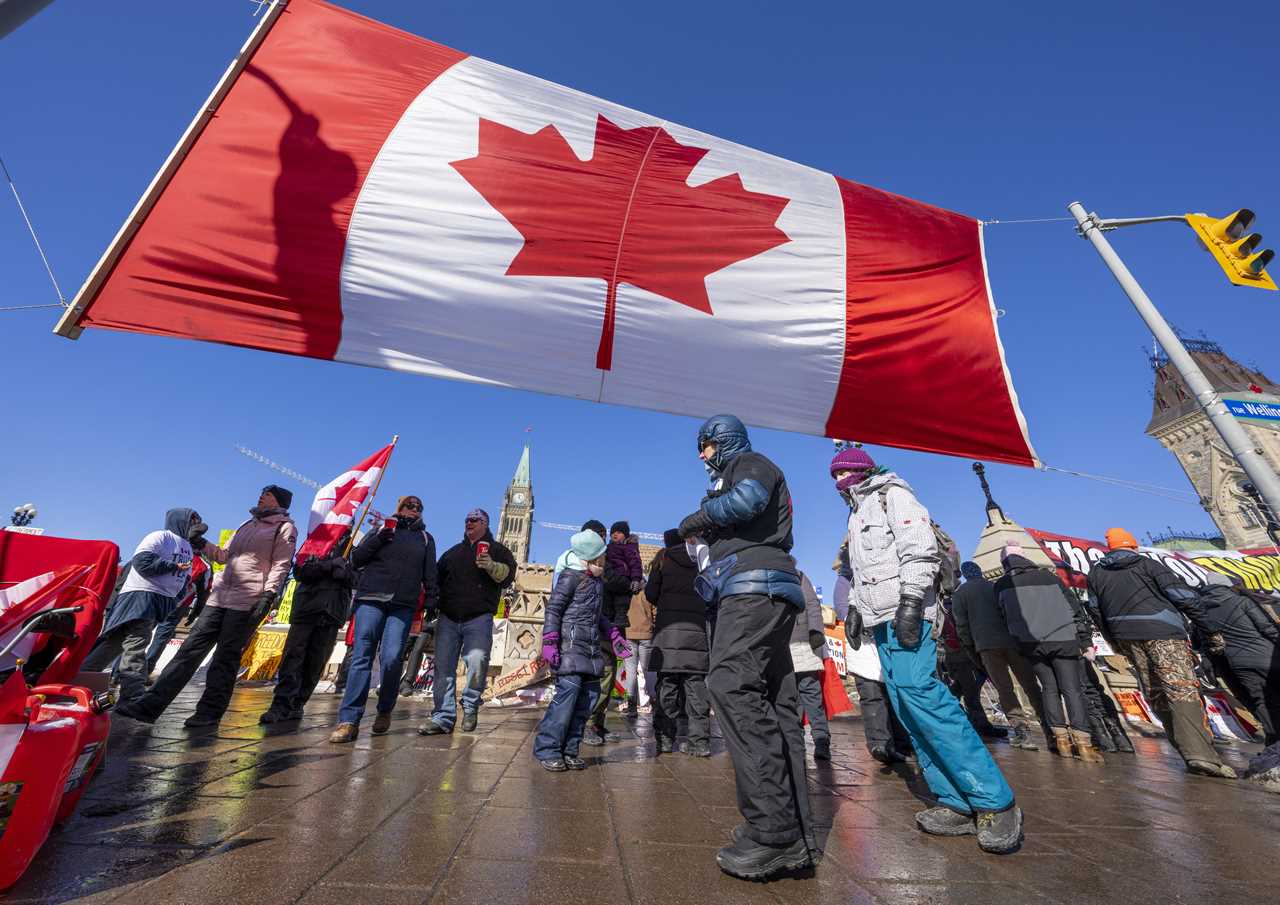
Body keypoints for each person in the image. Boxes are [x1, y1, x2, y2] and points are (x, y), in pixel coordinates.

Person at [831, 446, 1022, 855]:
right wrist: (854, 609)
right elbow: (863, 573)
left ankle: (994, 800)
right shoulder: (855, 511)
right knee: (905, 704)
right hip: (878, 620)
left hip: (906, 615)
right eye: (833, 475)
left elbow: (919, 550)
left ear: (863, 471)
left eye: (844, 472)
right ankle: (953, 796)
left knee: (924, 695)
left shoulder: (893, 495)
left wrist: (912, 602)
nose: (837, 480)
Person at [676, 414, 813, 880]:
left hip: (753, 588)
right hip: (768, 588)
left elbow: (748, 500)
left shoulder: (750, 462)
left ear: (726, 441)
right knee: (776, 703)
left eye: (707, 445)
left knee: (730, 685)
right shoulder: (743, 468)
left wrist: (696, 518)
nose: (701, 455)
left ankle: (774, 832)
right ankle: (792, 828)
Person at [116, 487, 297, 727]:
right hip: (220, 597)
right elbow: (223, 556)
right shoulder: (247, 524)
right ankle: (149, 706)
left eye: (268, 493)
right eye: (262, 492)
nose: (261, 495)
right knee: (188, 651)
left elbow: (282, 564)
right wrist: (201, 542)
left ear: (280, 501)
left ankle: (209, 713)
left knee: (225, 658)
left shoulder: (284, 528)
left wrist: (269, 593)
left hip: (248, 599)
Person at [1086, 527, 1234, 778]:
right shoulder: (1148, 565)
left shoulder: (1096, 573)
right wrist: (1210, 630)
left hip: (1127, 637)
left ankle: (1187, 751)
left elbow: (1095, 611)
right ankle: (1201, 755)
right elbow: (1183, 597)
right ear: (1133, 546)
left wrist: (1115, 643)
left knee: (1155, 691)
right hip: (1164, 632)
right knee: (1180, 688)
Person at [330, 495, 438, 744]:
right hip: (371, 598)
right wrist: (378, 539)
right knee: (362, 654)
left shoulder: (425, 538)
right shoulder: (380, 529)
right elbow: (356, 560)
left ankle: (385, 709)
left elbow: (429, 572)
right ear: (398, 508)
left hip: (402, 603)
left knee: (391, 657)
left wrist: (432, 600)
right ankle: (349, 720)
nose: (414, 510)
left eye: (418, 507)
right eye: (409, 506)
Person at [83, 508, 205, 706]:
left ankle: (80, 676)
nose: (194, 524)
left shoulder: (187, 547)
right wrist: (173, 567)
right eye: (192, 520)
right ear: (179, 520)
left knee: (115, 642)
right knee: (137, 643)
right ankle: (133, 694)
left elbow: (185, 579)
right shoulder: (160, 536)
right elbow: (143, 563)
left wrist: (174, 598)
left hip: (159, 601)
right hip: (141, 596)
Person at [994, 545, 1101, 763]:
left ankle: (1060, 740)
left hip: (1031, 643)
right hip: (1063, 638)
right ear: (1025, 556)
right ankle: (1084, 743)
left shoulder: (1001, 584)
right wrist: (1085, 639)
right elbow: (1074, 607)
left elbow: (1003, 616)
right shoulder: (1048, 576)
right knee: (1072, 690)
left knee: (1049, 689)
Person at [534, 530, 631, 771]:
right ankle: (548, 749)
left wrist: (613, 633)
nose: (605, 559)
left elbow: (597, 616)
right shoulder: (571, 577)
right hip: (569, 647)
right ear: (592, 557)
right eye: (602, 556)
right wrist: (549, 639)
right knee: (565, 701)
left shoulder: (597, 582)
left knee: (586, 701)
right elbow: (554, 610)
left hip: (590, 650)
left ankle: (569, 749)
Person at [419, 508, 516, 735]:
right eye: (467, 520)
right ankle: (443, 717)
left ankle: (471, 705)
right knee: (444, 668)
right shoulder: (452, 553)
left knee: (477, 660)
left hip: (479, 617)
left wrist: (491, 565)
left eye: (474, 520)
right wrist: (432, 605)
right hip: (449, 617)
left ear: (486, 524)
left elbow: (509, 576)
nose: (469, 523)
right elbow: (436, 580)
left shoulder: (499, 550)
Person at [261, 530, 356, 724]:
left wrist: (345, 573)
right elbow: (300, 571)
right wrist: (329, 566)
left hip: (332, 612)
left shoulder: (353, 550)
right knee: (292, 658)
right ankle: (280, 704)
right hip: (307, 608)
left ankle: (298, 704)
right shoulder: (315, 543)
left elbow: (358, 579)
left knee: (316, 662)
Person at [952, 561, 1044, 751]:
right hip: (1012, 640)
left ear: (964, 574)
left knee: (1004, 688)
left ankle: (1021, 731)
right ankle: (1050, 725)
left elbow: (961, 625)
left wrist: (971, 648)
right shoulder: (995, 586)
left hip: (986, 646)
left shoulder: (961, 593)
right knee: (1030, 685)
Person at [837, 545, 913, 763]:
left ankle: (902, 741)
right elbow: (843, 609)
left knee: (895, 693)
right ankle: (880, 743)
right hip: (864, 645)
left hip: (886, 642)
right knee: (872, 695)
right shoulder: (844, 582)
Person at [647, 528, 711, 756]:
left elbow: (650, 593)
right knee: (696, 688)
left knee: (667, 686)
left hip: (668, 631)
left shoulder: (663, 560)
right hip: (696, 631)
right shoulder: (701, 560)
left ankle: (665, 739)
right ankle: (700, 742)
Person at [1198, 571, 1280, 746]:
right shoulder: (1242, 601)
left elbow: (1204, 643)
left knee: (1261, 702)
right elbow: (1267, 629)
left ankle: (1273, 742)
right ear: (1228, 585)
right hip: (1268, 657)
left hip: (1238, 665)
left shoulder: (1201, 611)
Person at [937, 596, 1007, 740]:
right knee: (971, 695)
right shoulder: (955, 606)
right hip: (963, 656)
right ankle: (980, 726)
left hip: (953, 657)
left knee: (957, 691)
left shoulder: (942, 607)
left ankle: (957, 721)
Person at [791, 572, 831, 760]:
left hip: (803, 644)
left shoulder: (798, 576)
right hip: (784, 644)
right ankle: (798, 742)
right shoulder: (797, 575)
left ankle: (821, 740)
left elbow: (813, 605)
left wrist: (815, 632)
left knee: (809, 696)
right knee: (794, 698)